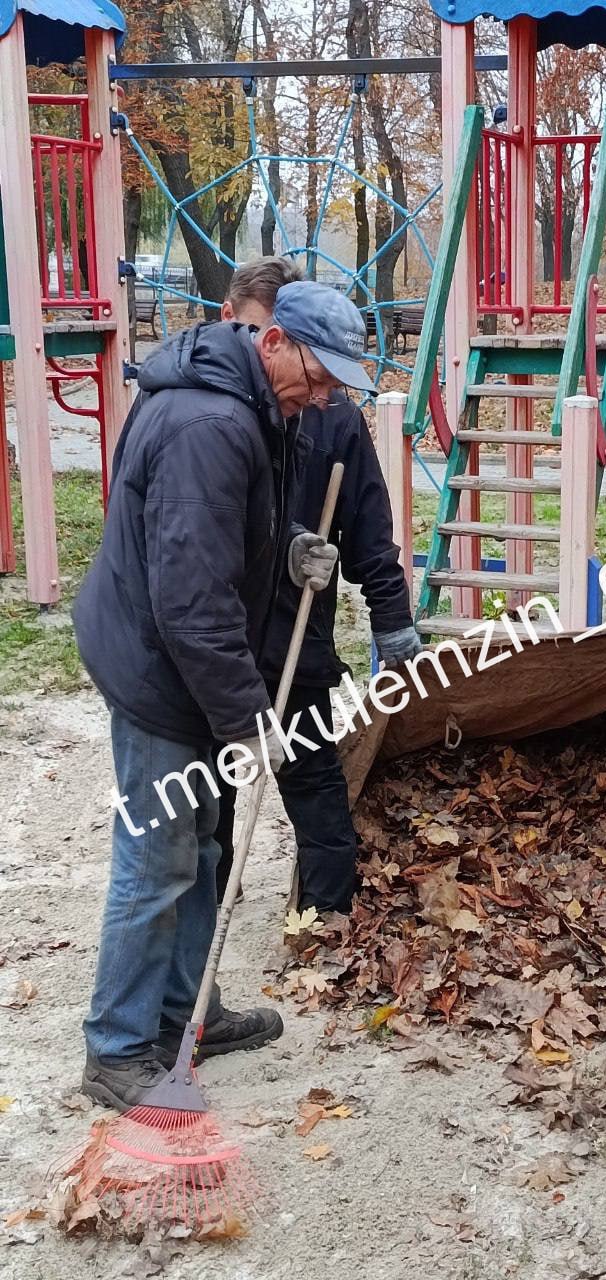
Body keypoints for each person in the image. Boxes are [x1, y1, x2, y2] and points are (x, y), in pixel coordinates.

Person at [74, 281, 374, 1111]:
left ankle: (186, 1015)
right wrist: (248, 722)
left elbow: (226, 532)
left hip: (187, 660)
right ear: (273, 339)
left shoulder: (254, 405)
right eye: (319, 374)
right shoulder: (209, 424)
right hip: (157, 669)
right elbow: (191, 602)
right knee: (159, 858)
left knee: (201, 846)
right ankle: (119, 1050)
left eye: (337, 382)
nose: (326, 395)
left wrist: (291, 550)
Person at [213, 256, 420, 915]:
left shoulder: (330, 414)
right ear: (233, 322)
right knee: (208, 783)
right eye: (251, 330)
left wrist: (392, 620)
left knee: (311, 774)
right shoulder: (211, 410)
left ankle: (327, 911)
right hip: (219, 638)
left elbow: (368, 525)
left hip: (297, 631)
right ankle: (211, 893)